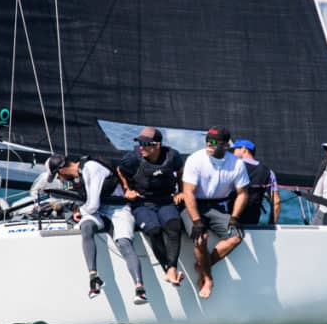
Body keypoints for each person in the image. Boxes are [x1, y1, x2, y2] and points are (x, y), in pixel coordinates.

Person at [68, 155, 148, 305]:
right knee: (86, 228)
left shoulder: (91, 167)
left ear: (62, 169)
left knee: (124, 242)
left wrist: (82, 209)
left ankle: (140, 289)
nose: (60, 179)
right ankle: (93, 277)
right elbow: (84, 196)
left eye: (58, 175)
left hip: (118, 208)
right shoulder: (78, 175)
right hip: (98, 212)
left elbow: (92, 205)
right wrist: (76, 208)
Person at [181, 126, 249, 299]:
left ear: (225, 145)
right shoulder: (195, 159)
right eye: (207, 141)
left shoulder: (237, 163)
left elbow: (242, 194)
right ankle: (208, 278)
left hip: (218, 207)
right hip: (194, 204)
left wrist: (234, 218)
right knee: (200, 238)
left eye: (213, 142)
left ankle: (204, 265)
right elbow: (188, 192)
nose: (208, 145)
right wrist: (196, 221)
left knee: (236, 237)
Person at [117, 126, 186, 287]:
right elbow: (119, 170)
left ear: (157, 145)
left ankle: (172, 269)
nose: (141, 147)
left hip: (165, 200)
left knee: (174, 226)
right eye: (140, 143)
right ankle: (168, 269)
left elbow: (181, 170)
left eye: (145, 144)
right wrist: (127, 190)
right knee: (154, 230)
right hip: (142, 203)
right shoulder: (133, 158)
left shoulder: (172, 156)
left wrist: (181, 191)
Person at [227, 139, 280, 224]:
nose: (232, 153)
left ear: (244, 150)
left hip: (229, 219)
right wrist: (271, 225)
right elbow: (276, 201)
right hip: (252, 220)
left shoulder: (230, 167)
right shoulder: (268, 172)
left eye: (234, 150)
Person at [28, 154, 80, 219]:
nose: (58, 177)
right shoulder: (44, 178)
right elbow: (34, 194)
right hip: (57, 210)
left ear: (62, 171)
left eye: (58, 174)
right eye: (56, 175)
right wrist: (50, 203)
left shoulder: (78, 177)